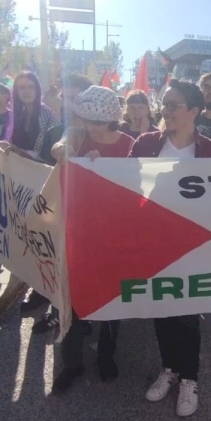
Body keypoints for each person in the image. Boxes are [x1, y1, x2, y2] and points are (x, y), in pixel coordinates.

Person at [129, 79, 211, 417]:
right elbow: (121, 182)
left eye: (173, 105)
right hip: (153, 241)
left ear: (194, 111)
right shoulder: (145, 143)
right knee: (161, 307)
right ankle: (168, 369)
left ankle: (189, 378)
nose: (165, 110)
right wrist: (97, 162)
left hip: (193, 245)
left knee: (186, 312)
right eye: (164, 104)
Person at [49, 86, 133, 393]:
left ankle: (106, 355)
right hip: (76, 230)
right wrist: (64, 151)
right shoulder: (77, 134)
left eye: (98, 121)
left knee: (112, 296)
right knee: (71, 300)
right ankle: (71, 363)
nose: (91, 126)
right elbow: (59, 146)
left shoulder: (128, 144)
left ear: (112, 118)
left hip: (114, 234)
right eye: (87, 119)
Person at [4, 71, 57, 159]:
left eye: (31, 87)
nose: (26, 91)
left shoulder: (47, 115)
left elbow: (48, 154)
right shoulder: (18, 114)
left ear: (37, 90)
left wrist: (21, 152)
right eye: (22, 88)